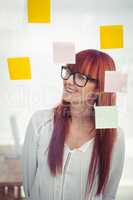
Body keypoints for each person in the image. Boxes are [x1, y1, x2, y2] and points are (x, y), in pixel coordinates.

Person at [21, 49, 125, 200]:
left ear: (99, 89)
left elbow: (108, 194)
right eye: (68, 72)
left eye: (81, 77)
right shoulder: (40, 123)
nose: (68, 80)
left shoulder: (114, 136)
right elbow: (29, 189)